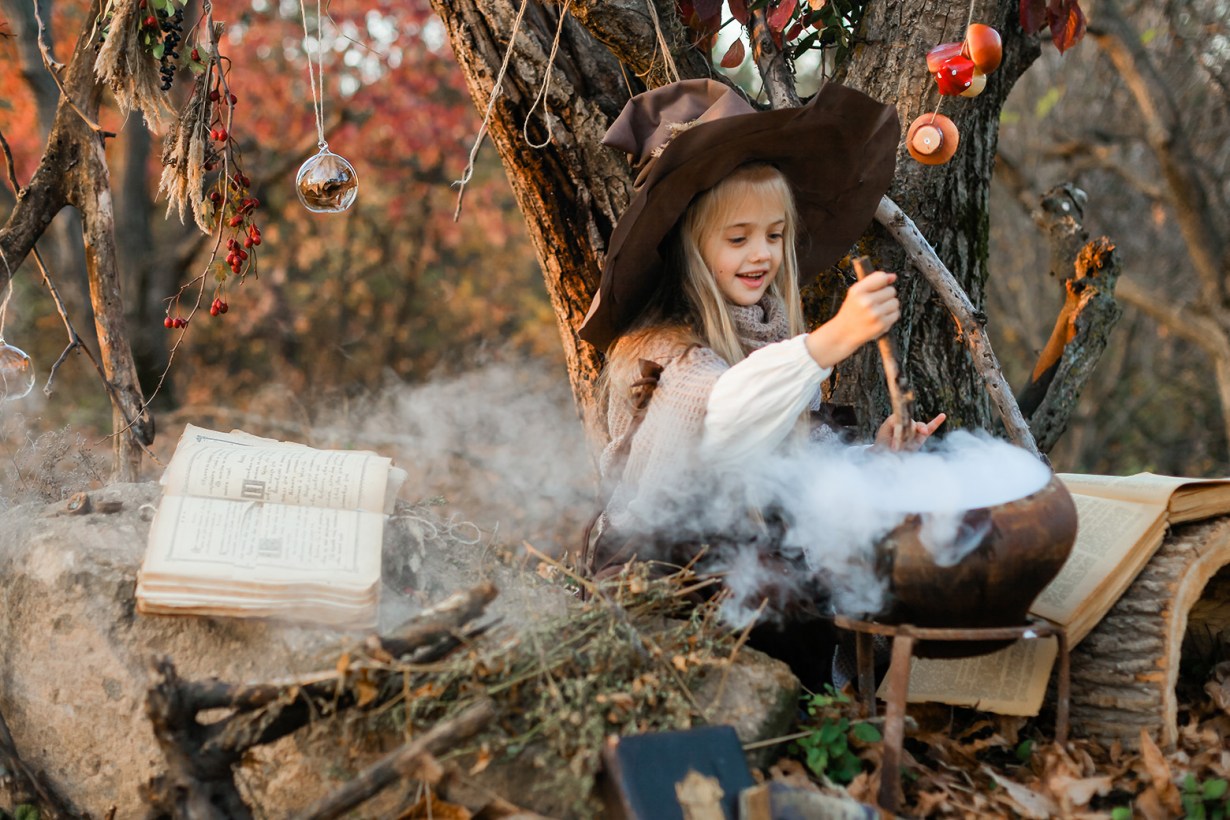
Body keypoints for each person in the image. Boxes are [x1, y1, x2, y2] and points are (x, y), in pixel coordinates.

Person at [578, 79, 945, 685]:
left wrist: (877, 459)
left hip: (747, 571)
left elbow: (793, 462)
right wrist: (830, 341)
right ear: (692, 245)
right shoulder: (661, 350)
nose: (762, 255)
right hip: (663, 583)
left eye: (774, 235)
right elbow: (722, 419)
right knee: (785, 597)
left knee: (871, 581)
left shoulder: (768, 336)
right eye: (738, 238)